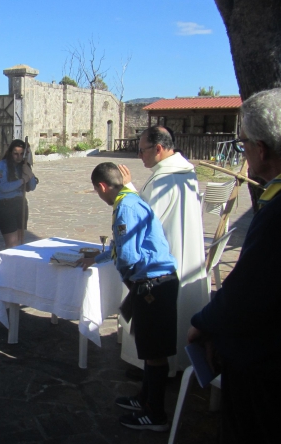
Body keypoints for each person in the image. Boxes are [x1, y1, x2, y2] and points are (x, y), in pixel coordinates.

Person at [188, 88, 281, 444]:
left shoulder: (276, 213)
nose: (243, 151)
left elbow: (248, 291)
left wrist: (203, 323)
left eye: (243, 144)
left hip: (264, 366)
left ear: (262, 149)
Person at [82, 162, 178, 432]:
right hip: (154, 283)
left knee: (155, 352)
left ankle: (156, 414)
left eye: (96, 191)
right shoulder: (130, 198)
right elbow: (120, 246)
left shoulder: (126, 206)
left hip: (153, 285)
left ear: (102, 186)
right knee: (149, 348)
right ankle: (145, 399)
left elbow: (127, 256)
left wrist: (128, 279)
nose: (99, 195)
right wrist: (97, 257)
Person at [118, 126, 207, 376]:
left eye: (142, 150)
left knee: (155, 321)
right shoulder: (185, 171)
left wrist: (128, 189)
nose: (139, 156)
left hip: (160, 262)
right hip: (183, 250)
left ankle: (150, 368)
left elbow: (145, 218)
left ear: (158, 148)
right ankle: (173, 363)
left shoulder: (163, 179)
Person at [0, 139, 37, 249]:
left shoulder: (23, 166)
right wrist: (22, 180)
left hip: (20, 204)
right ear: (10, 152)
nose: (19, 157)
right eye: (15, 154)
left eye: (21, 154)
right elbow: (4, 187)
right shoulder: (1, 166)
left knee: (20, 241)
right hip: (5, 205)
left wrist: (30, 174)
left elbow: (32, 187)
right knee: (12, 243)